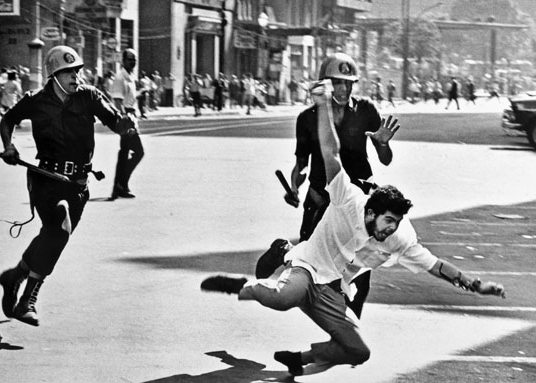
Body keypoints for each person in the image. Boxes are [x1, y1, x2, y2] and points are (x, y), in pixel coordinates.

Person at [201, 78, 506, 376]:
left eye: (396, 224)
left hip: (334, 286)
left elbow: (436, 266)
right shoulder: (350, 199)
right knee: (285, 297)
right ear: (371, 212)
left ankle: (300, 358)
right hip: (309, 267)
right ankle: (241, 283)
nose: (390, 230)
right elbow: (329, 152)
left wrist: (475, 285)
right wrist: (321, 104)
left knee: (358, 350)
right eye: (388, 221)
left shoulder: (399, 237)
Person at [0, 45, 137, 326]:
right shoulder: (36, 100)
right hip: (46, 179)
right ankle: (27, 300)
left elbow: (113, 120)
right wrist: (9, 146)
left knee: (51, 235)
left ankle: (16, 275)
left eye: (77, 71)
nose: (76, 77)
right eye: (69, 72)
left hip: (78, 185)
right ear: (54, 75)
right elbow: (7, 120)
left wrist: (126, 124)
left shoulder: (89, 96)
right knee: (60, 227)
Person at [255, 53, 395, 319]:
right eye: (337, 83)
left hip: (358, 202)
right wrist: (294, 186)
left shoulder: (366, 111)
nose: (343, 89)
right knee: (307, 264)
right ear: (324, 84)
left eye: (349, 83)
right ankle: (282, 250)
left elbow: (385, 159)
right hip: (322, 198)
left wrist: (383, 143)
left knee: (360, 271)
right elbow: (301, 164)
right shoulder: (308, 118)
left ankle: (349, 328)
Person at [109, 48, 145, 200]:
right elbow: (117, 102)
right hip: (126, 119)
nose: (133, 62)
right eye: (130, 59)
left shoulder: (131, 76)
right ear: (123, 61)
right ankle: (120, 184)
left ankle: (119, 186)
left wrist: (139, 93)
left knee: (124, 153)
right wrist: (125, 122)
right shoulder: (120, 77)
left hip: (131, 116)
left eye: (134, 59)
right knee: (138, 152)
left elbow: (129, 97)